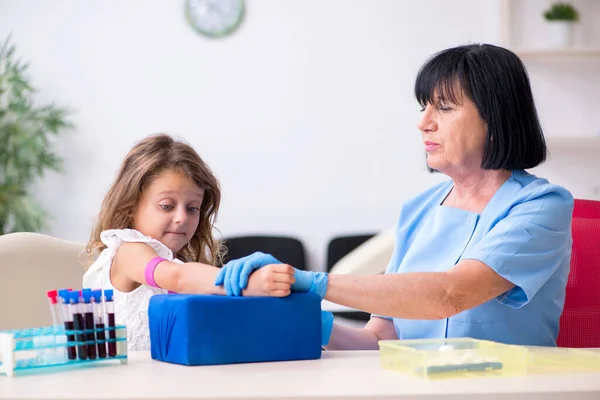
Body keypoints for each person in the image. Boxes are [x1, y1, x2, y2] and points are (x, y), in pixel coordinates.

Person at [215, 43, 574, 348]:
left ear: (496, 119)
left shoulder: (541, 207)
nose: (424, 122)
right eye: (424, 107)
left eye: (444, 108)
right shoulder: (418, 211)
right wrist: (297, 314)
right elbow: (382, 338)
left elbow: (450, 294)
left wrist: (310, 281)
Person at [83, 134, 295, 350]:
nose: (182, 218)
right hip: (124, 382)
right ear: (131, 206)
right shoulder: (129, 252)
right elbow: (178, 277)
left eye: (192, 208)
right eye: (167, 206)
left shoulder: (179, 264)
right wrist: (250, 283)